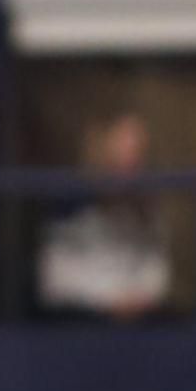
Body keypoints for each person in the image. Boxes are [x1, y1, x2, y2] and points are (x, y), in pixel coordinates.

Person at [37, 113, 172, 321]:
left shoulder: (147, 209)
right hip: (83, 322)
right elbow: (55, 279)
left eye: (139, 151)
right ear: (104, 147)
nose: (131, 160)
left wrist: (138, 298)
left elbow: (156, 271)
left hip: (138, 321)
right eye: (123, 148)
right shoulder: (71, 207)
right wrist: (110, 300)